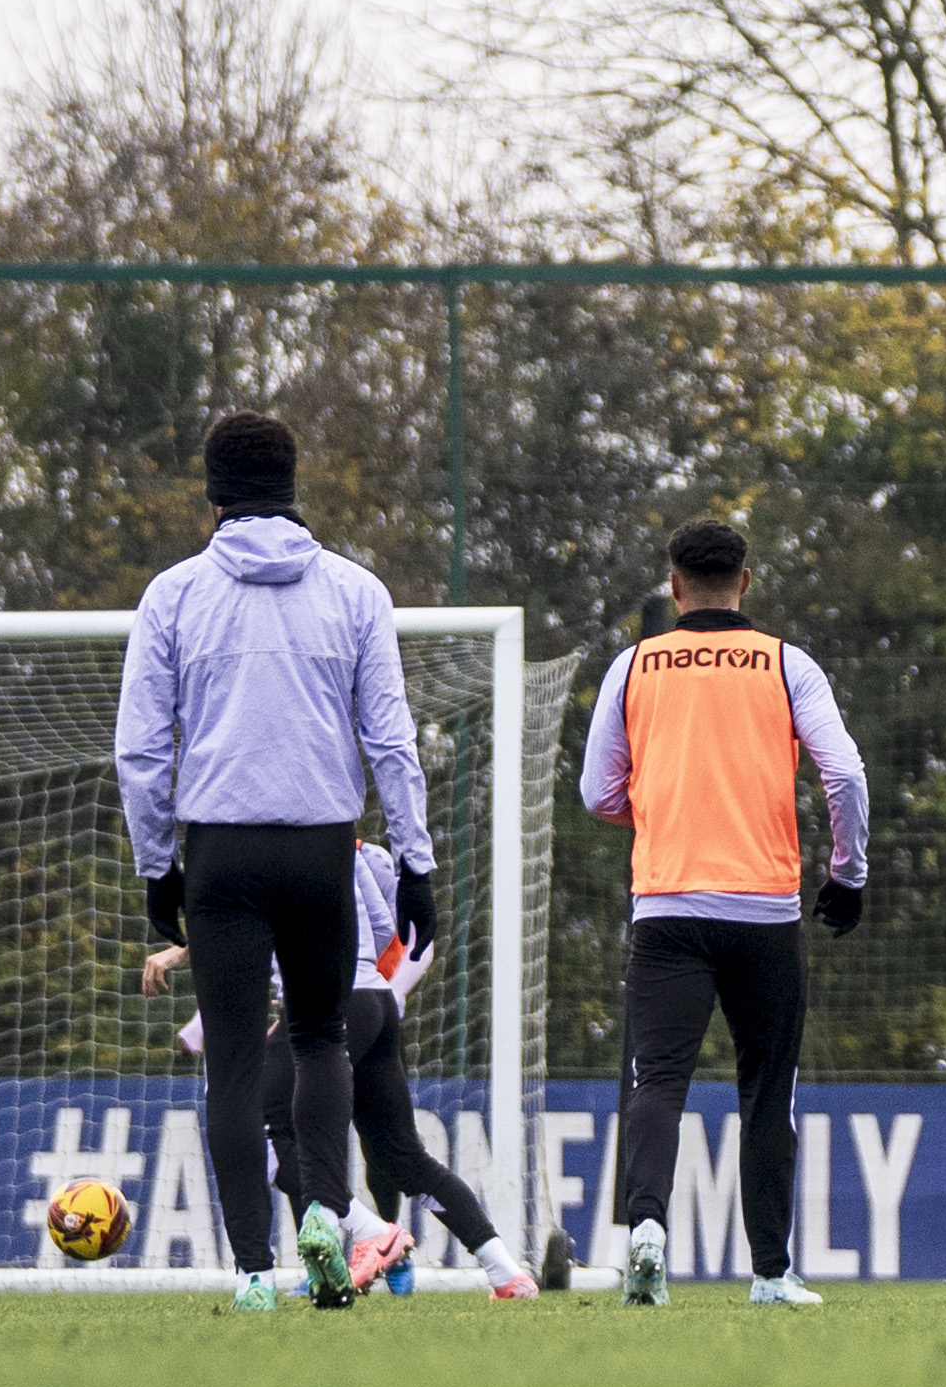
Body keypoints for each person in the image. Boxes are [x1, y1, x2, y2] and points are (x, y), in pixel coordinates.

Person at [116, 410, 441, 1314]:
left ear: (211, 496)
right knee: (321, 1039)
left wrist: (158, 867)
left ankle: (255, 1271)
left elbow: (140, 751)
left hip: (220, 852)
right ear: (295, 487)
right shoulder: (355, 591)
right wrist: (414, 861)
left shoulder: (175, 594)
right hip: (321, 850)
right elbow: (392, 741)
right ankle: (328, 1222)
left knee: (231, 1064)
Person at [579, 514, 871, 1308]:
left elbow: (596, 792)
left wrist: (666, 811)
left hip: (667, 906)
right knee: (766, 1090)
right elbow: (843, 775)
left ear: (674, 585)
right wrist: (847, 874)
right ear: (746, 581)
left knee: (657, 1080)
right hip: (766, 910)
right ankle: (771, 1273)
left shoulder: (634, 666)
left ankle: (645, 1231)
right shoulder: (786, 664)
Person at [148, 833, 536, 1300]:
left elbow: (243, 921)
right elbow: (379, 928)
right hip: (375, 999)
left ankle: (370, 1231)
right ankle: (506, 1273)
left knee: (252, 1123)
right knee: (403, 1158)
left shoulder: (245, 840)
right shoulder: (340, 843)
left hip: (327, 1007)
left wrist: (297, 1003)